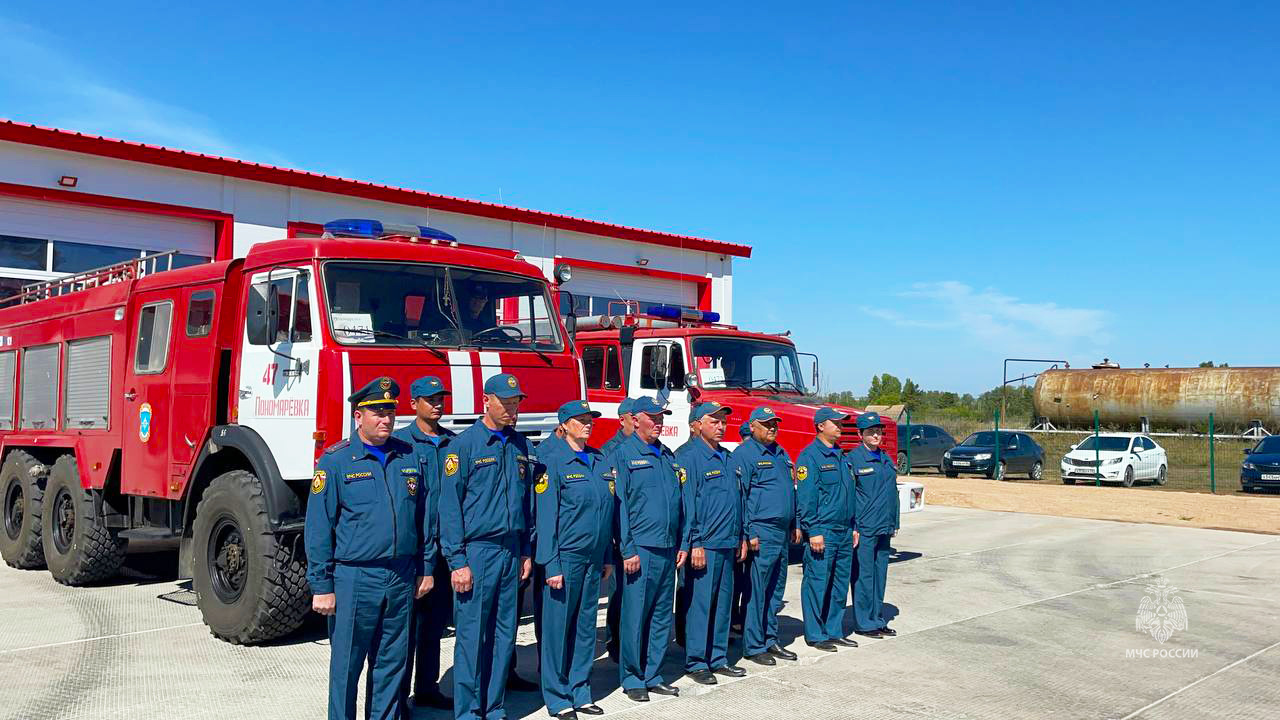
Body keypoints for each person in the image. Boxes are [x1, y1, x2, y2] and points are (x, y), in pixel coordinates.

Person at [305, 377, 435, 720]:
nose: (386, 419)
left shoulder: (408, 457)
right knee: (347, 664)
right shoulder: (336, 462)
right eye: (377, 412)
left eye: (390, 412)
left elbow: (422, 518)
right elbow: (319, 528)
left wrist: (426, 567)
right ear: (358, 416)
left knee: (392, 663)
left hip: (401, 575)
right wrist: (322, 586)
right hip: (355, 578)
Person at [439, 373, 534, 720]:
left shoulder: (521, 445)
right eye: (506, 404)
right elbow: (449, 508)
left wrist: (525, 549)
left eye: (516, 404)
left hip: (510, 551)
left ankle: (494, 707)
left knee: (504, 634)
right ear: (486, 402)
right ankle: (468, 710)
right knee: (471, 636)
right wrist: (457, 561)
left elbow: (527, 504)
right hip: (476, 552)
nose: (513, 410)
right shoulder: (463, 447)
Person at [535, 400, 615, 720]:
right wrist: (551, 564)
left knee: (584, 629)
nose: (588, 424)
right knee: (557, 631)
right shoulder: (552, 462)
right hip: (565, 559)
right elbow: (546, 518)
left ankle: (580, 691)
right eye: (580, 420)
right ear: (564, 424)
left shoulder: (598, 459)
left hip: (594, 558)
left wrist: (607, 553)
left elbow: (606, 511)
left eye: (590, 419)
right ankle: (557, 697)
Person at [613, 396, 688, 703]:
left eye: (661, 418)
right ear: (636, 419)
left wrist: (683, 542)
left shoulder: (666, 456)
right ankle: (632, 677)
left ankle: (653, 674)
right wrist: (627, 549)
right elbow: (621, 508)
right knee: (635, 616)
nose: (659, 423)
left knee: (660, 615)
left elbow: (681, 504)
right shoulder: (623, 455)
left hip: (668, 548)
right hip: (641, 549)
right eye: (653, 418)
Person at [393, 376, 456, 711]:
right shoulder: (401, 444)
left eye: (440, 398)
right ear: (413, 404)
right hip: (414, 552)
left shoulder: (453, 444)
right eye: (430, 399)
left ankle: (428, 687)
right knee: (405, 630)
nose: (437, 403)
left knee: (434, 626)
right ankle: (400, 698)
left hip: (446, 552)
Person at [676, 402, 748, 685]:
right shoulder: (687, 457)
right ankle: (696, 661)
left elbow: (737, 501)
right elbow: (687, 505)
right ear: (696, 424)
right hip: (703, 545)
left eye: (722, 422)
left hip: (727, 542)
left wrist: (740, 536)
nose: (720, 426)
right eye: (714, 421)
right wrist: (694, 542)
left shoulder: (727, 458)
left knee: (722, 605)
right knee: (700, 605)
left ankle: (717, 658)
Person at [732, 406, 800, 666]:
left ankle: (770, 638)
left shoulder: (780, 452)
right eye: (766, 424)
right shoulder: (745, 455)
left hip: (781, 532)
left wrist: (794, 522)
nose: (772, 428)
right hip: (761, 531)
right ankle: (753, 644)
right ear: (752, 427)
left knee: (775, 589)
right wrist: (748, 532)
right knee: (757, 591)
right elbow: (741, 497)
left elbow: (788, 491)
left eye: (774, 424)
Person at [795, 407, 859, 653]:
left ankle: (834, 630)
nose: (840, 427)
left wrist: (853, 526)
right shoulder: (810, 457)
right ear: (820, 426)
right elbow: (807, 498)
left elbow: (848, 495)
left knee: (840, 583)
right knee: (818, 582)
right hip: (825, 530)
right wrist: (814, 530)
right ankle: (815, 633)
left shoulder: (842, 456)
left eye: (841, 423)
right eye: (836, 423)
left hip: (844, 530)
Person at [848, 411, 900, 638]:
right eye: (871, 432)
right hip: (865, 527)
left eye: (879, 431)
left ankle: (877, 618)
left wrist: (895, 521)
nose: (877, 435)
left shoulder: (885, 458)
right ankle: (864, 622)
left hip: (884, 526)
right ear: (860, 434)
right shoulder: (853, 459)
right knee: (864, 575)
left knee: (880, 574)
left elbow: (892, 492)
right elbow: (848, 497)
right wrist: (853, 527)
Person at [600, 397, 636, 662]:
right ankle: (614, 639)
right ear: (622, 419)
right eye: (633, 416)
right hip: (618, 533)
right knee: (619, 592)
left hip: (641, 532)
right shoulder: (610, 451)